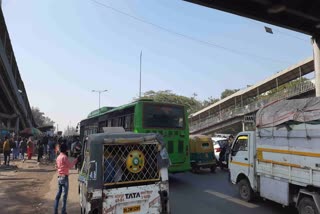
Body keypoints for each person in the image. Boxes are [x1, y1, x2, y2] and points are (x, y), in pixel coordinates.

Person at [54, 143, 79, 214]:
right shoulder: (64, 157)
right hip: (64, 177)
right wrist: (76, 160)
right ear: (65, 150)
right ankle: (63, 211)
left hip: (59, 177)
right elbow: (70, 166)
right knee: (64, 196)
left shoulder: (58, 157)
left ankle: (55, 211)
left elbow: (57, 167)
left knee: (58, 195)